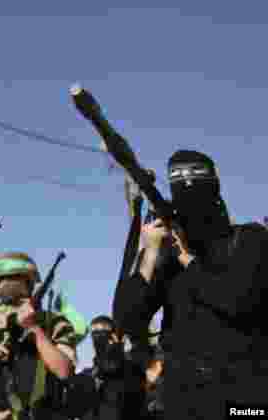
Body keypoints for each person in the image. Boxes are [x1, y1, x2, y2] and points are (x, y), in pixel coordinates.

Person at [113, 150, 268, 419]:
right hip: (183, 402)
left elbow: (240, 301)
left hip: (245, 401)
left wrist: (188, 261)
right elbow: (128, 320)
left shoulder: (251, 240)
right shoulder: (168, 255)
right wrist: (149, 255)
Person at [0, 252, 78, 420]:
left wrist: (34, 328)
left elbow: (64, 371)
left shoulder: (54, 323)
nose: (4, 288)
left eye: (13, 280)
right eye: (1, 282)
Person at [68, 316, 145, 420]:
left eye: (104, 329)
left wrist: (116, 355)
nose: (98, 335)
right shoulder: (86, 376)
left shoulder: (131, 369)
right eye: (94, 331)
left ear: (113, 336)